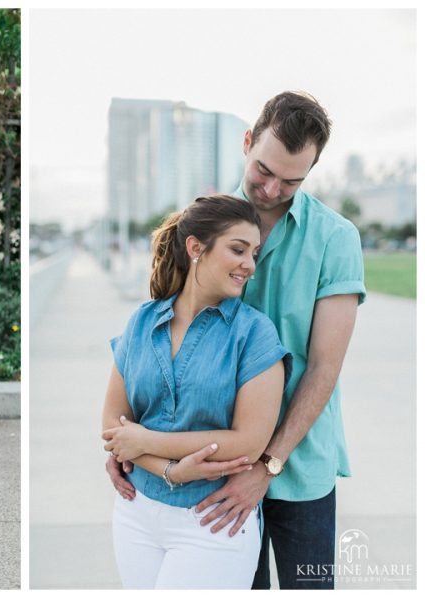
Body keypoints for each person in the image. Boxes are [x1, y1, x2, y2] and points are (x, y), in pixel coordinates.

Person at [106, 91, 366, 589]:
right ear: (247, 143)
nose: (271, 189)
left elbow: (323, 369)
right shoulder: (202, 221)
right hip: (206, 468)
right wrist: (131, 446)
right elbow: (161, 344)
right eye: (263, 170)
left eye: (292, 180)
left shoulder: (336, 238)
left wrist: (267, 465)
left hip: (297, 468)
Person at [101, 195, 292, 589]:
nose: (249, 265)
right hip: (136, 512)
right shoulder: (142, 321)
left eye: (254, 253)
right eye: (238, 250)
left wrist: (145, 443)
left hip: (212, 519)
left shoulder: (254, 333)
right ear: (195, 248)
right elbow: (112, 423)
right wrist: (168, 470)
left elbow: (249, 443)